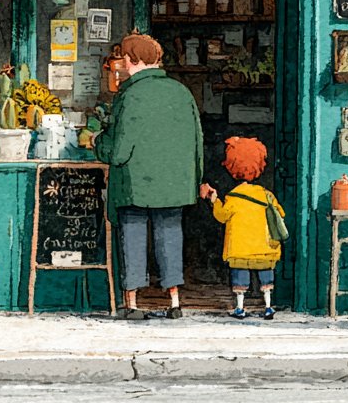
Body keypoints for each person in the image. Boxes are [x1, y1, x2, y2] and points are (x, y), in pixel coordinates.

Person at [96, 33, 203, 321]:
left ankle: (132, 303)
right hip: (174, 183)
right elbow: (196, 142)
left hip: (135, 184)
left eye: (124, 58)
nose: (121, 64)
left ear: (133, 60)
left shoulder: (129, 95)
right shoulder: (181, 92)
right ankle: (174, 301)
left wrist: (99, 140)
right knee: (170, 236)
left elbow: (118, 152)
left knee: (132, 235)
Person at [199, 137, 286, 320]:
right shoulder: (266, 195)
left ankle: (240, 308)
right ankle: (268, 306)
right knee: (265, 277)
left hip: (240, 249)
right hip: (264, 248)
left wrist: (214, 199)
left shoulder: (233, 198)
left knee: (240, 279)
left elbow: (221, 216)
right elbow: (280, 214)